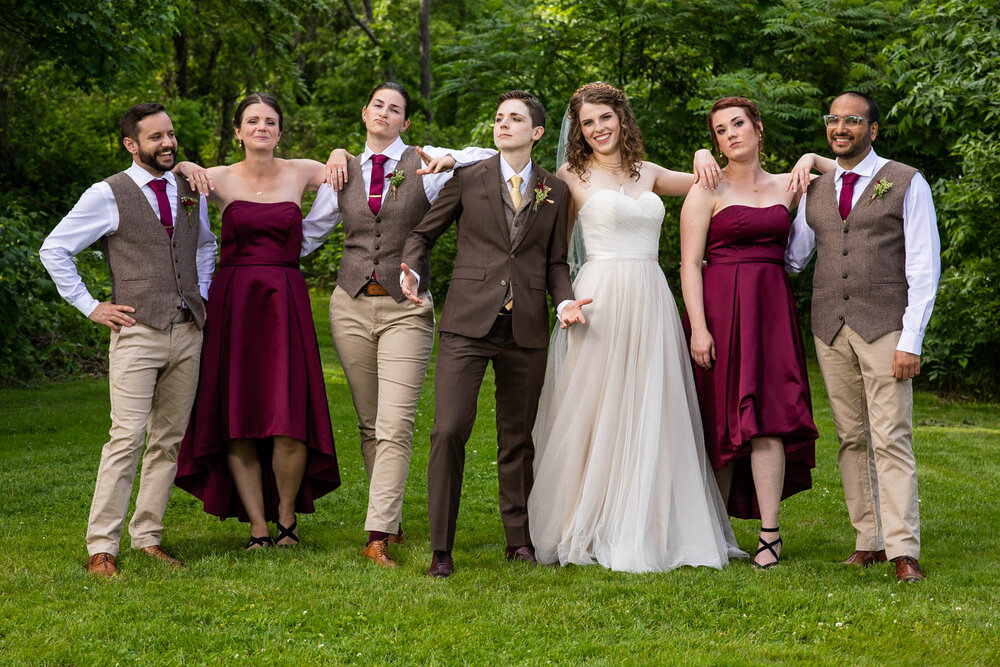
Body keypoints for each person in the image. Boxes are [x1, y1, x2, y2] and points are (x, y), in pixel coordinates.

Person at [527, 82, 744, 573]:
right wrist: (562, 301)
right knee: (595, 409)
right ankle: (585, 518)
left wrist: (699, 150)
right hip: (598, 298)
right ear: (578, 131)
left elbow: (714, 181)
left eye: (605, 117)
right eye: (587, 122)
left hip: (650, 297)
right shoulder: (569, 175)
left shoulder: (650, 173)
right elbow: (554, 253)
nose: (598, 128)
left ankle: (648, 521)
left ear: (622, 118)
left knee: (652, 406)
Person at [300, 81, 494, 568]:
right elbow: (310, 234)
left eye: (397, 110)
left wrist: (451, 160)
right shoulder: (341, 171)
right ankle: (390, 515)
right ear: (365, 113)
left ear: (405, 123)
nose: (386, 114)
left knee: (395, 423)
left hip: (407, 307)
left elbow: (494, 154)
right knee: (370, 423)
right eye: (378, 106)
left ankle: (378, 534)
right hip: (348, 303)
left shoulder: (424, 164)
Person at [399, 90, 590, 578]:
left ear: (537, 132)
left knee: (516, 438)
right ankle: (441, 548)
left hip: (525, 325)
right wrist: (414, 272)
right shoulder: (468, 177)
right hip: (467, 323)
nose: (503, 124)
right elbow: (423, 234)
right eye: (499, 117)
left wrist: (564, 300)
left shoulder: (555, 190)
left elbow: (554, 262)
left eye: (516, 118)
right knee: (448, 430)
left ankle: (518, 541)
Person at [39, 103, 216, 577]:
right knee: (126, 438)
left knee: (167, 441)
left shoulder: (187, 188)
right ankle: (103, 545)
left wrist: (201, 293)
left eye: (171, 135)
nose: (168, 143)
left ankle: (148, 537)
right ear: (131, 144)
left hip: (187, 331)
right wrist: (92, 306)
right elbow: (55, 248)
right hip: (137, 333)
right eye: (156, 137)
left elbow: (203, 244)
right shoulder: (108, 193)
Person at [174, 93, 340, 549]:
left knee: (289, 414)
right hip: (235, 302)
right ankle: (257, 526)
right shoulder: (218, 178)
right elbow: (166, 180)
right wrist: (185, 163)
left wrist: (340, 152)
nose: (261, 126)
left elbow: (357, 169)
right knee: (238, 415)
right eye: (252, 120)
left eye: (270, 120)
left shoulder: (304, 170)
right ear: (238, 131)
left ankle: (286, 517)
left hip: (285, 299)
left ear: (280, 131)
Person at [786, 91, 940, 582]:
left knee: (890, 435)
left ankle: (903, 549)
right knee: (852, 438)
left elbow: (923, 265)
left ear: (872, 130)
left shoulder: (905, 181)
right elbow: (793, 256)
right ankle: (867, 540)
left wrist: (911, 338)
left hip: (884, 327)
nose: (841, 128)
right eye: (834, 120)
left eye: (852, 120)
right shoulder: (816, 189)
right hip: (831, 330)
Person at [680, 96, 832, 568]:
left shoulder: (790, 185)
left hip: (770, 310)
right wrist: (699, 329)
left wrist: (810, 157)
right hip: (719, 309)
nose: (731, 136)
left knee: (771, 417)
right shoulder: (707, 187)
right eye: (720, 131)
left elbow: (853, 172)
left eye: (738, 124)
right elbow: (688, 263)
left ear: (758, 127)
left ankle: (770, 535)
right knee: (718, 418)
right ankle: (717, 532)